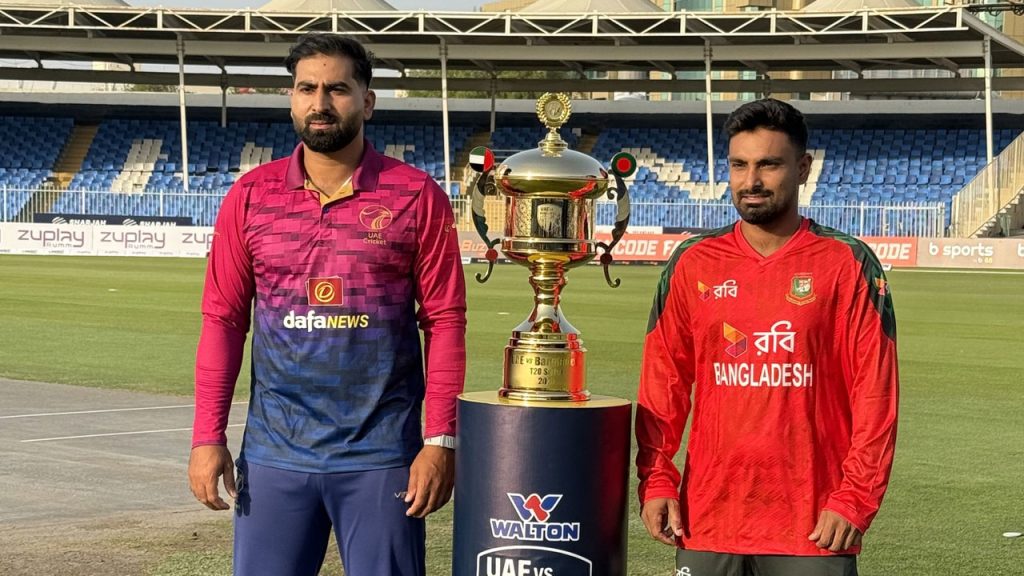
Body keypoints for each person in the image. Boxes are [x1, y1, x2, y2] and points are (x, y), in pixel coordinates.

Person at [187, 33, 466, 576]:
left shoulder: (415, 195)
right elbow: (223, 320)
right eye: (306, 89)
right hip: (274, 455)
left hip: (382, 456)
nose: (320, 103)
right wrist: (206, 436)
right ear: (291, 98)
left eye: (337, 89)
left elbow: (445, 321)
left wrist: (441, 441)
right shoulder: (251, 195)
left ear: (367, 101)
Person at [635, 98, 898, 576]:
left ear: (803, 168)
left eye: (768, 165)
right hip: (707, 519)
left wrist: (856, 498)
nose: (750, 181)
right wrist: (656, 479)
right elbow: (663, 383)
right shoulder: (692, 261)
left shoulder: (848, 263)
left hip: (813, 527)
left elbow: (875, 395)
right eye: (739, 165)